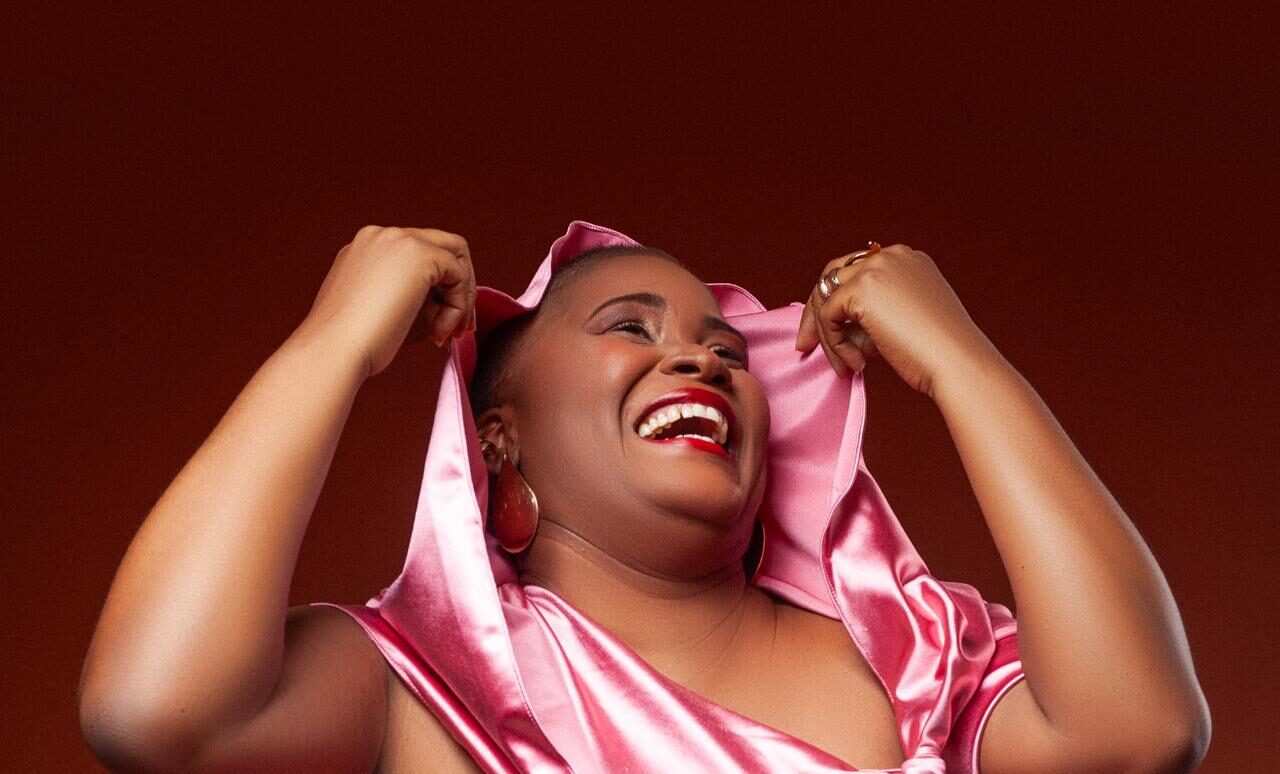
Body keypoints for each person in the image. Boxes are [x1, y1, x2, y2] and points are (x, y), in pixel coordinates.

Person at [79, 220, 1211, 773]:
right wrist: (335, 340)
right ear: (494, 440)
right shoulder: (422, 683)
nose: (699, 361)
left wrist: (961, 361)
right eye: (629, 328)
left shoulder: (910, 652)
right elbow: (153, 712)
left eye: (729, 353)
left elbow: (1142, 734)